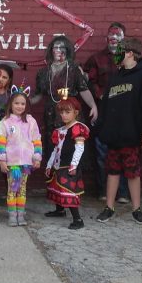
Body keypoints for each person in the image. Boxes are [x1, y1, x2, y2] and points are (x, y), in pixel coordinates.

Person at [95, 38, 142, 226]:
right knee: (112, 171)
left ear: (130, 53)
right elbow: (106, 105)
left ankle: (136, 209)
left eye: (120, 51)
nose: (117, 55)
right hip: (114, 136)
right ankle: (109, 207)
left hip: (132, 135)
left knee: (133, 172)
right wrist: (103, 128)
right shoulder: (115, 78)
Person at [32, 35, 97, 167]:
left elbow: (83, 89)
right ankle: (55, 185)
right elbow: (38, 95)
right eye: (55, 47)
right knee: (53, 150)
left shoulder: (73, 69)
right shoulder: (43, 72)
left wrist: (93, 106)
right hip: (51, 116)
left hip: (70, 112)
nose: (58, 50)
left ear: (67, 50)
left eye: (61, 47)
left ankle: (72, 184)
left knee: (72, 150)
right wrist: (22, 101)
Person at [84, 22, 129, 202]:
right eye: (111, 35)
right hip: (103, 111)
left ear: (123, 38)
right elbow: (87, 81)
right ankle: (103, 191)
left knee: (125, 152)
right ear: (106, 38)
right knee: (102, 152)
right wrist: (99, 94)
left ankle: (123, 193)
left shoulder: (130, 58)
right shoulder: (96, 59)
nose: (114, 38)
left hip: (125, 112)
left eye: (118, 35)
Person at [0, 89, 42, 226]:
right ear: (11, 104)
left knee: (22, 189)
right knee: (12, 189)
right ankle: (12, 215)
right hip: (12, 163)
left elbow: (37, 140)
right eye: (16, 103)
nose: (20, 106)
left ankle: (20, 215)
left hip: (26, 163)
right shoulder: (5, 122)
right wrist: (2, 160)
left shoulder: (31, 121)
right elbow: (1, 143)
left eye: (23, 104)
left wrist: (37, 157)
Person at [43, 97, 89, 230]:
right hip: (59, 164)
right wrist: (49, 165)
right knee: (57, 188)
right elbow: (56, 149)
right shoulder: (60, 130)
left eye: (67, 112)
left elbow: (80, 148)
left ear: (76, 112)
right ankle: (60, 210)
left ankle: (78, 219)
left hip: (69, 165)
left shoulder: (78, 128)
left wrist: (73, 165)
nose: (64, 115)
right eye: (62, 112)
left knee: (68, 190)